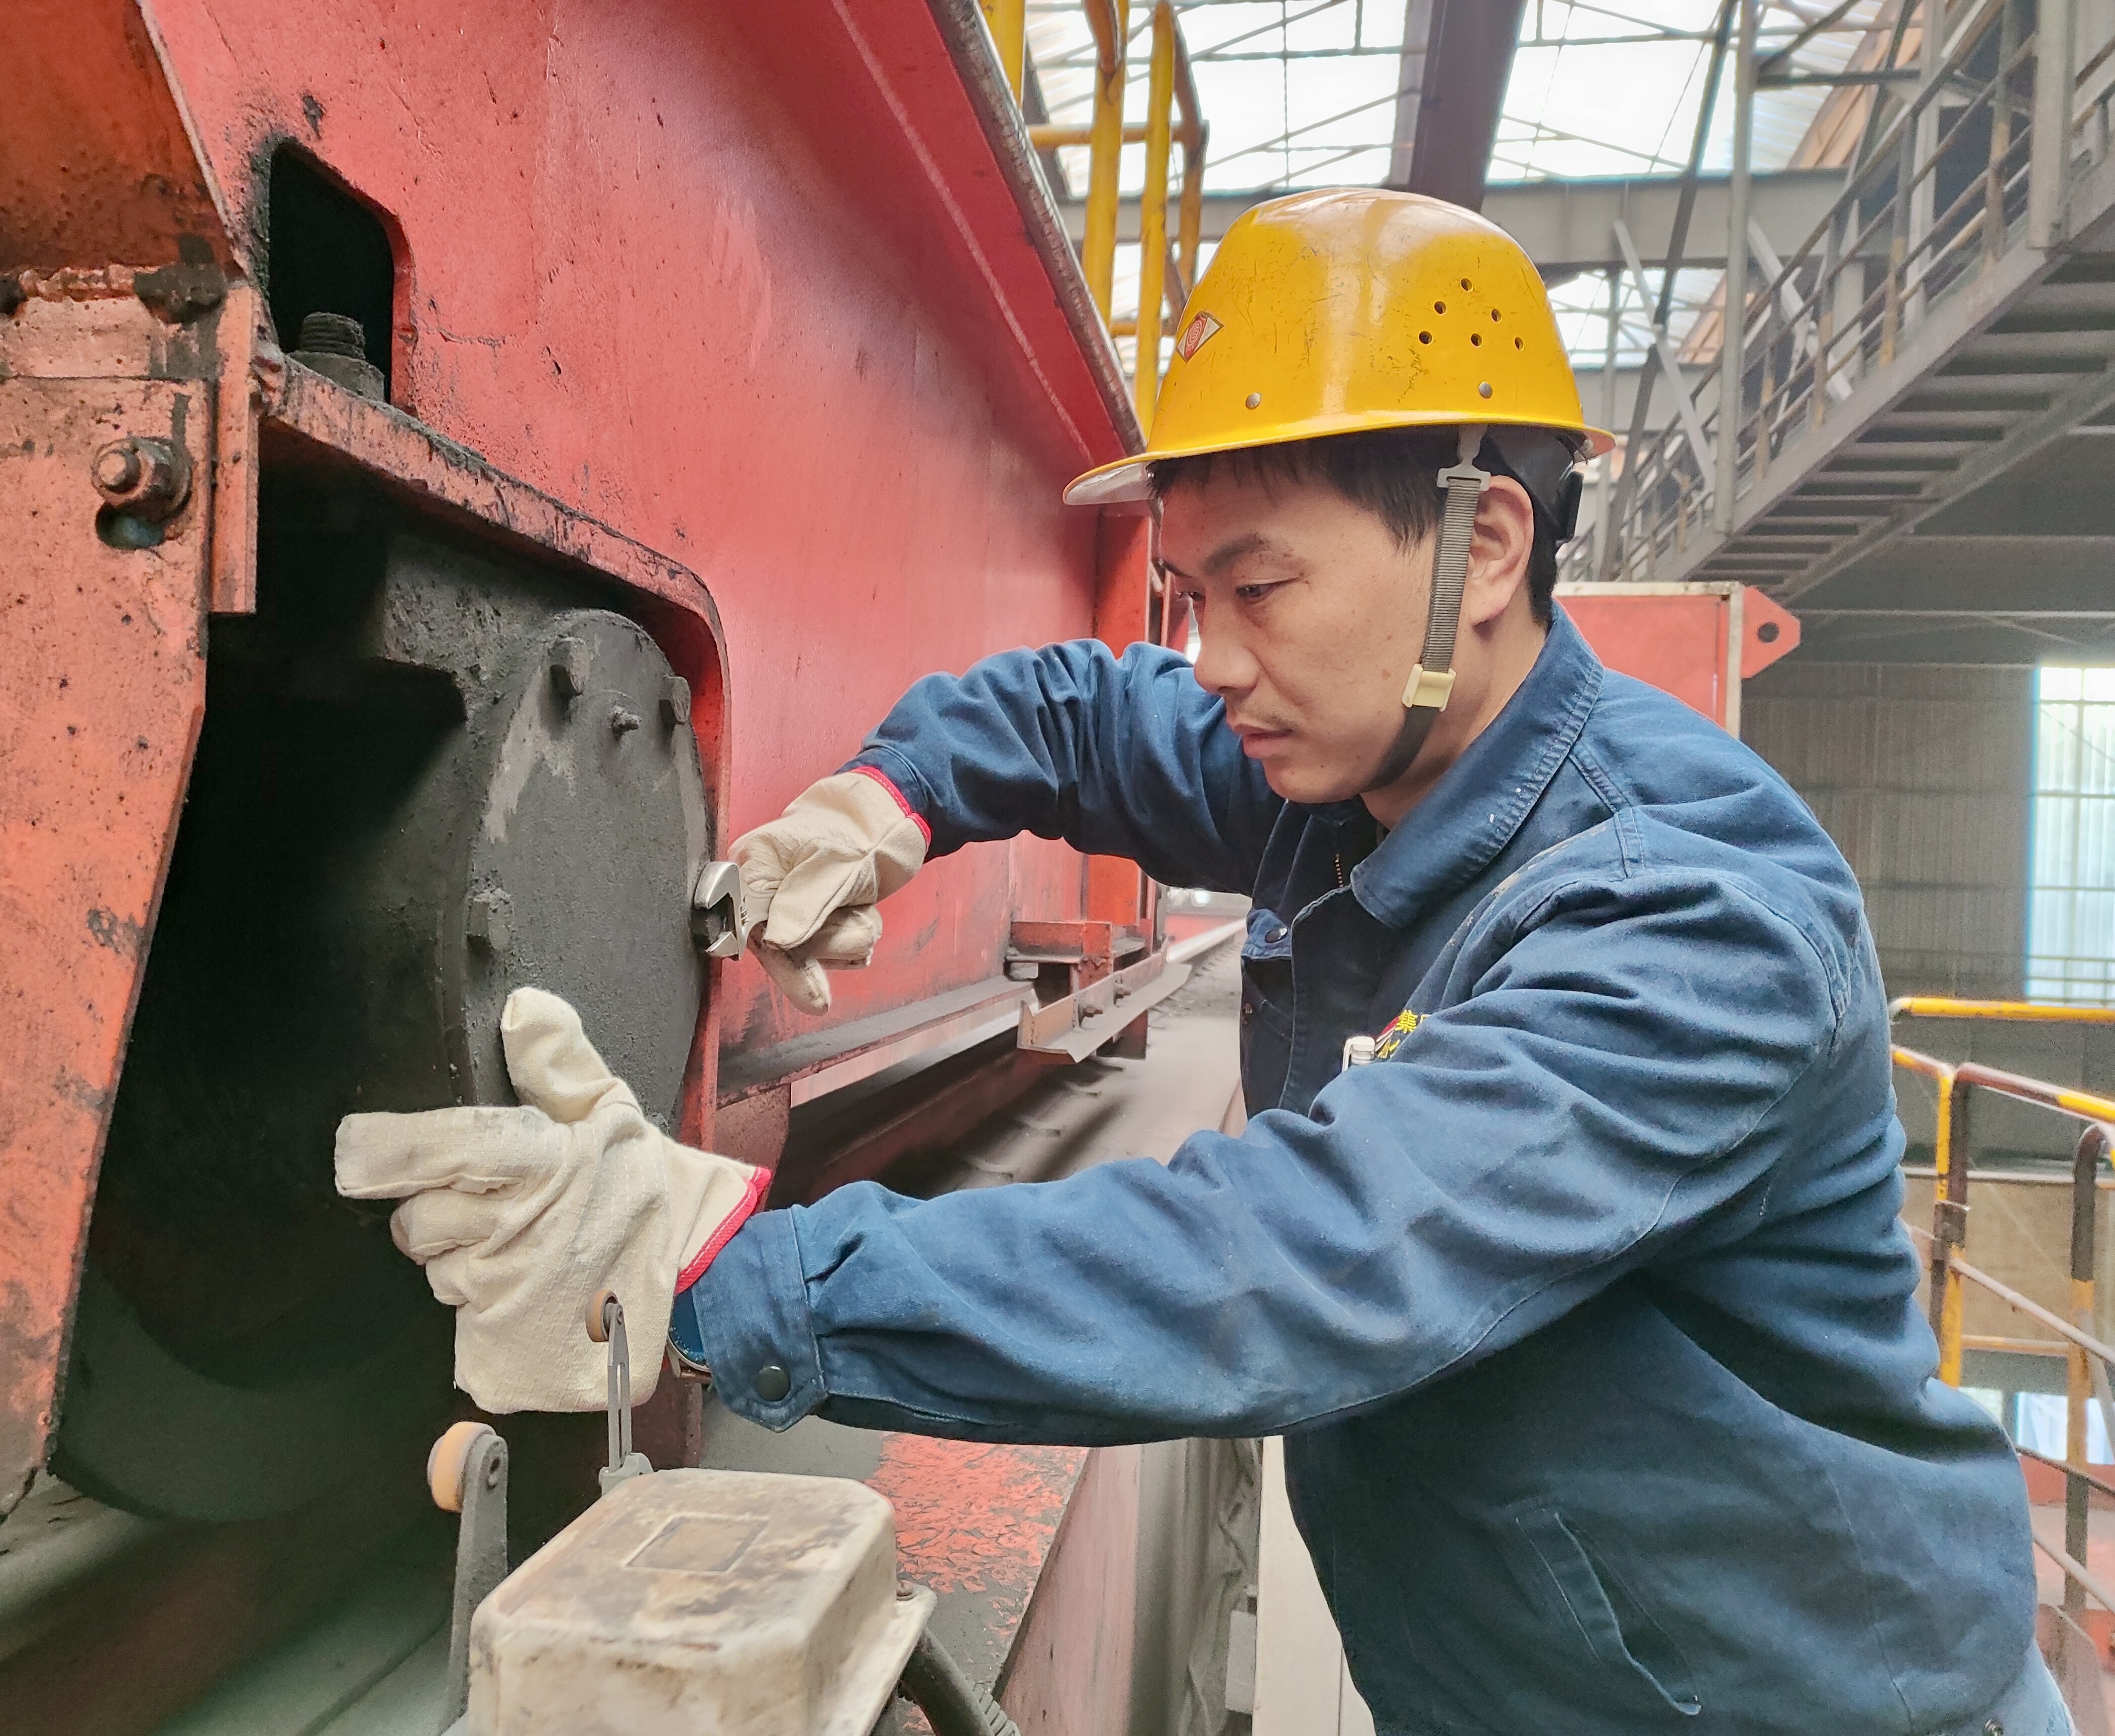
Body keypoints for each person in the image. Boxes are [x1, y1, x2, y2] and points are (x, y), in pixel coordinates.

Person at [335, 190, 2050, 1735]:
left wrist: (716, 1276)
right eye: (1185, 596)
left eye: (1260, 588)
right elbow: (1080, 711)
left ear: (1490, 549)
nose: (1214, 661)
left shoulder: (1691, 914)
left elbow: (1306, 1258)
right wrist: (884, 801)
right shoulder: (1365, 749)